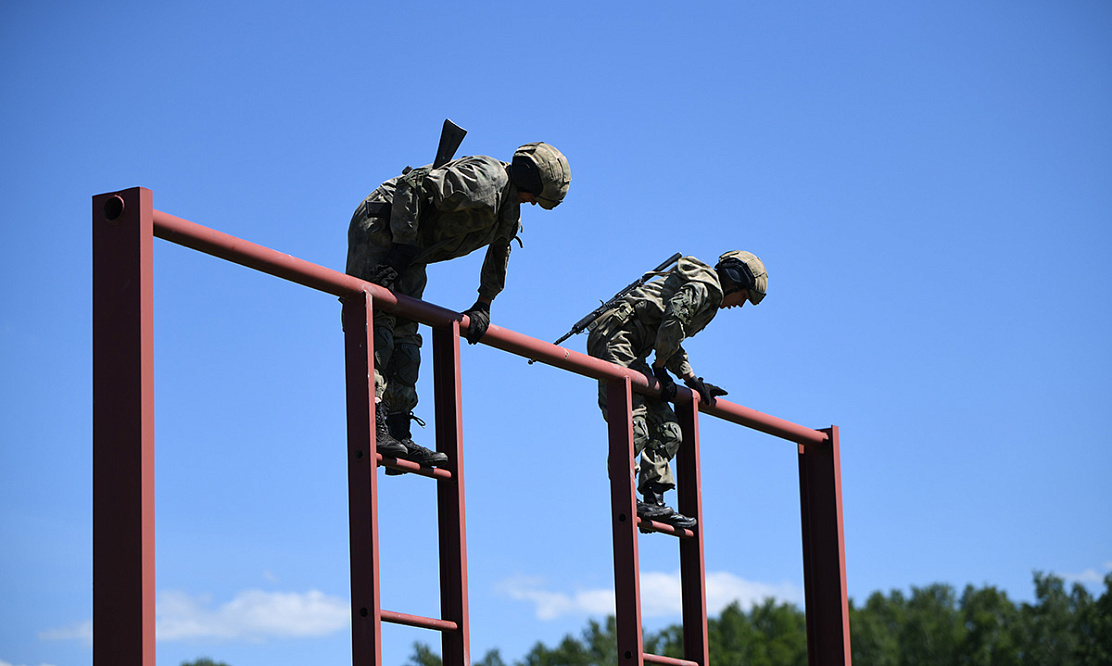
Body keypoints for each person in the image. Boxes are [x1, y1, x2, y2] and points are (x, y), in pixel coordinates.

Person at [346, 142, 571, 469]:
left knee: (407, 332)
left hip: (411, 248)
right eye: (536, 196)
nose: (533, 202)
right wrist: (399, 253)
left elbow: (500, 251)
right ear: (530, 182)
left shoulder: (508, 208)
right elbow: (412, 186)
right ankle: (374, 424)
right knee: (378, 319)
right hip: (386, 223)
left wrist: (484, 303)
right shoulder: (485, 180)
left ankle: (398, 431)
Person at [586, 251, 768, 527]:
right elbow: (673, 321)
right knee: (633, 421)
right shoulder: (704, 288)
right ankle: (625, 496)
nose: (741, 304)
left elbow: (669, 335)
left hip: (635, 348)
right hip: (615, 337)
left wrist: (691, 378)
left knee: (669, 429)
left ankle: (653, 500)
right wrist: (660, 366)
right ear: (734, 281)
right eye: (744, 296)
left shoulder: (709, 296)